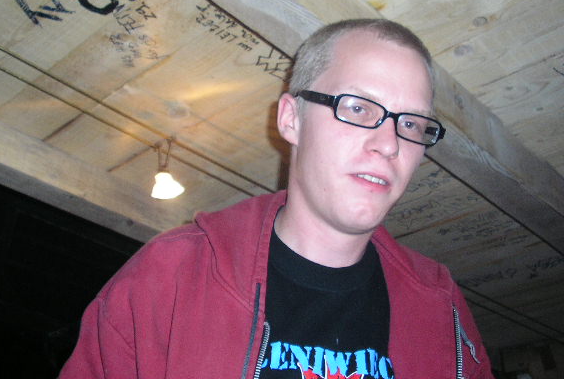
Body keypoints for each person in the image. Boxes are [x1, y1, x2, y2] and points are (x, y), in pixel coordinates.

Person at [59, 19, 493, 379]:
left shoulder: (442, 308)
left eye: (412, 124)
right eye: (359, 108)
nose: (390, 144)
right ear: (291, 119)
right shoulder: (169, 276)